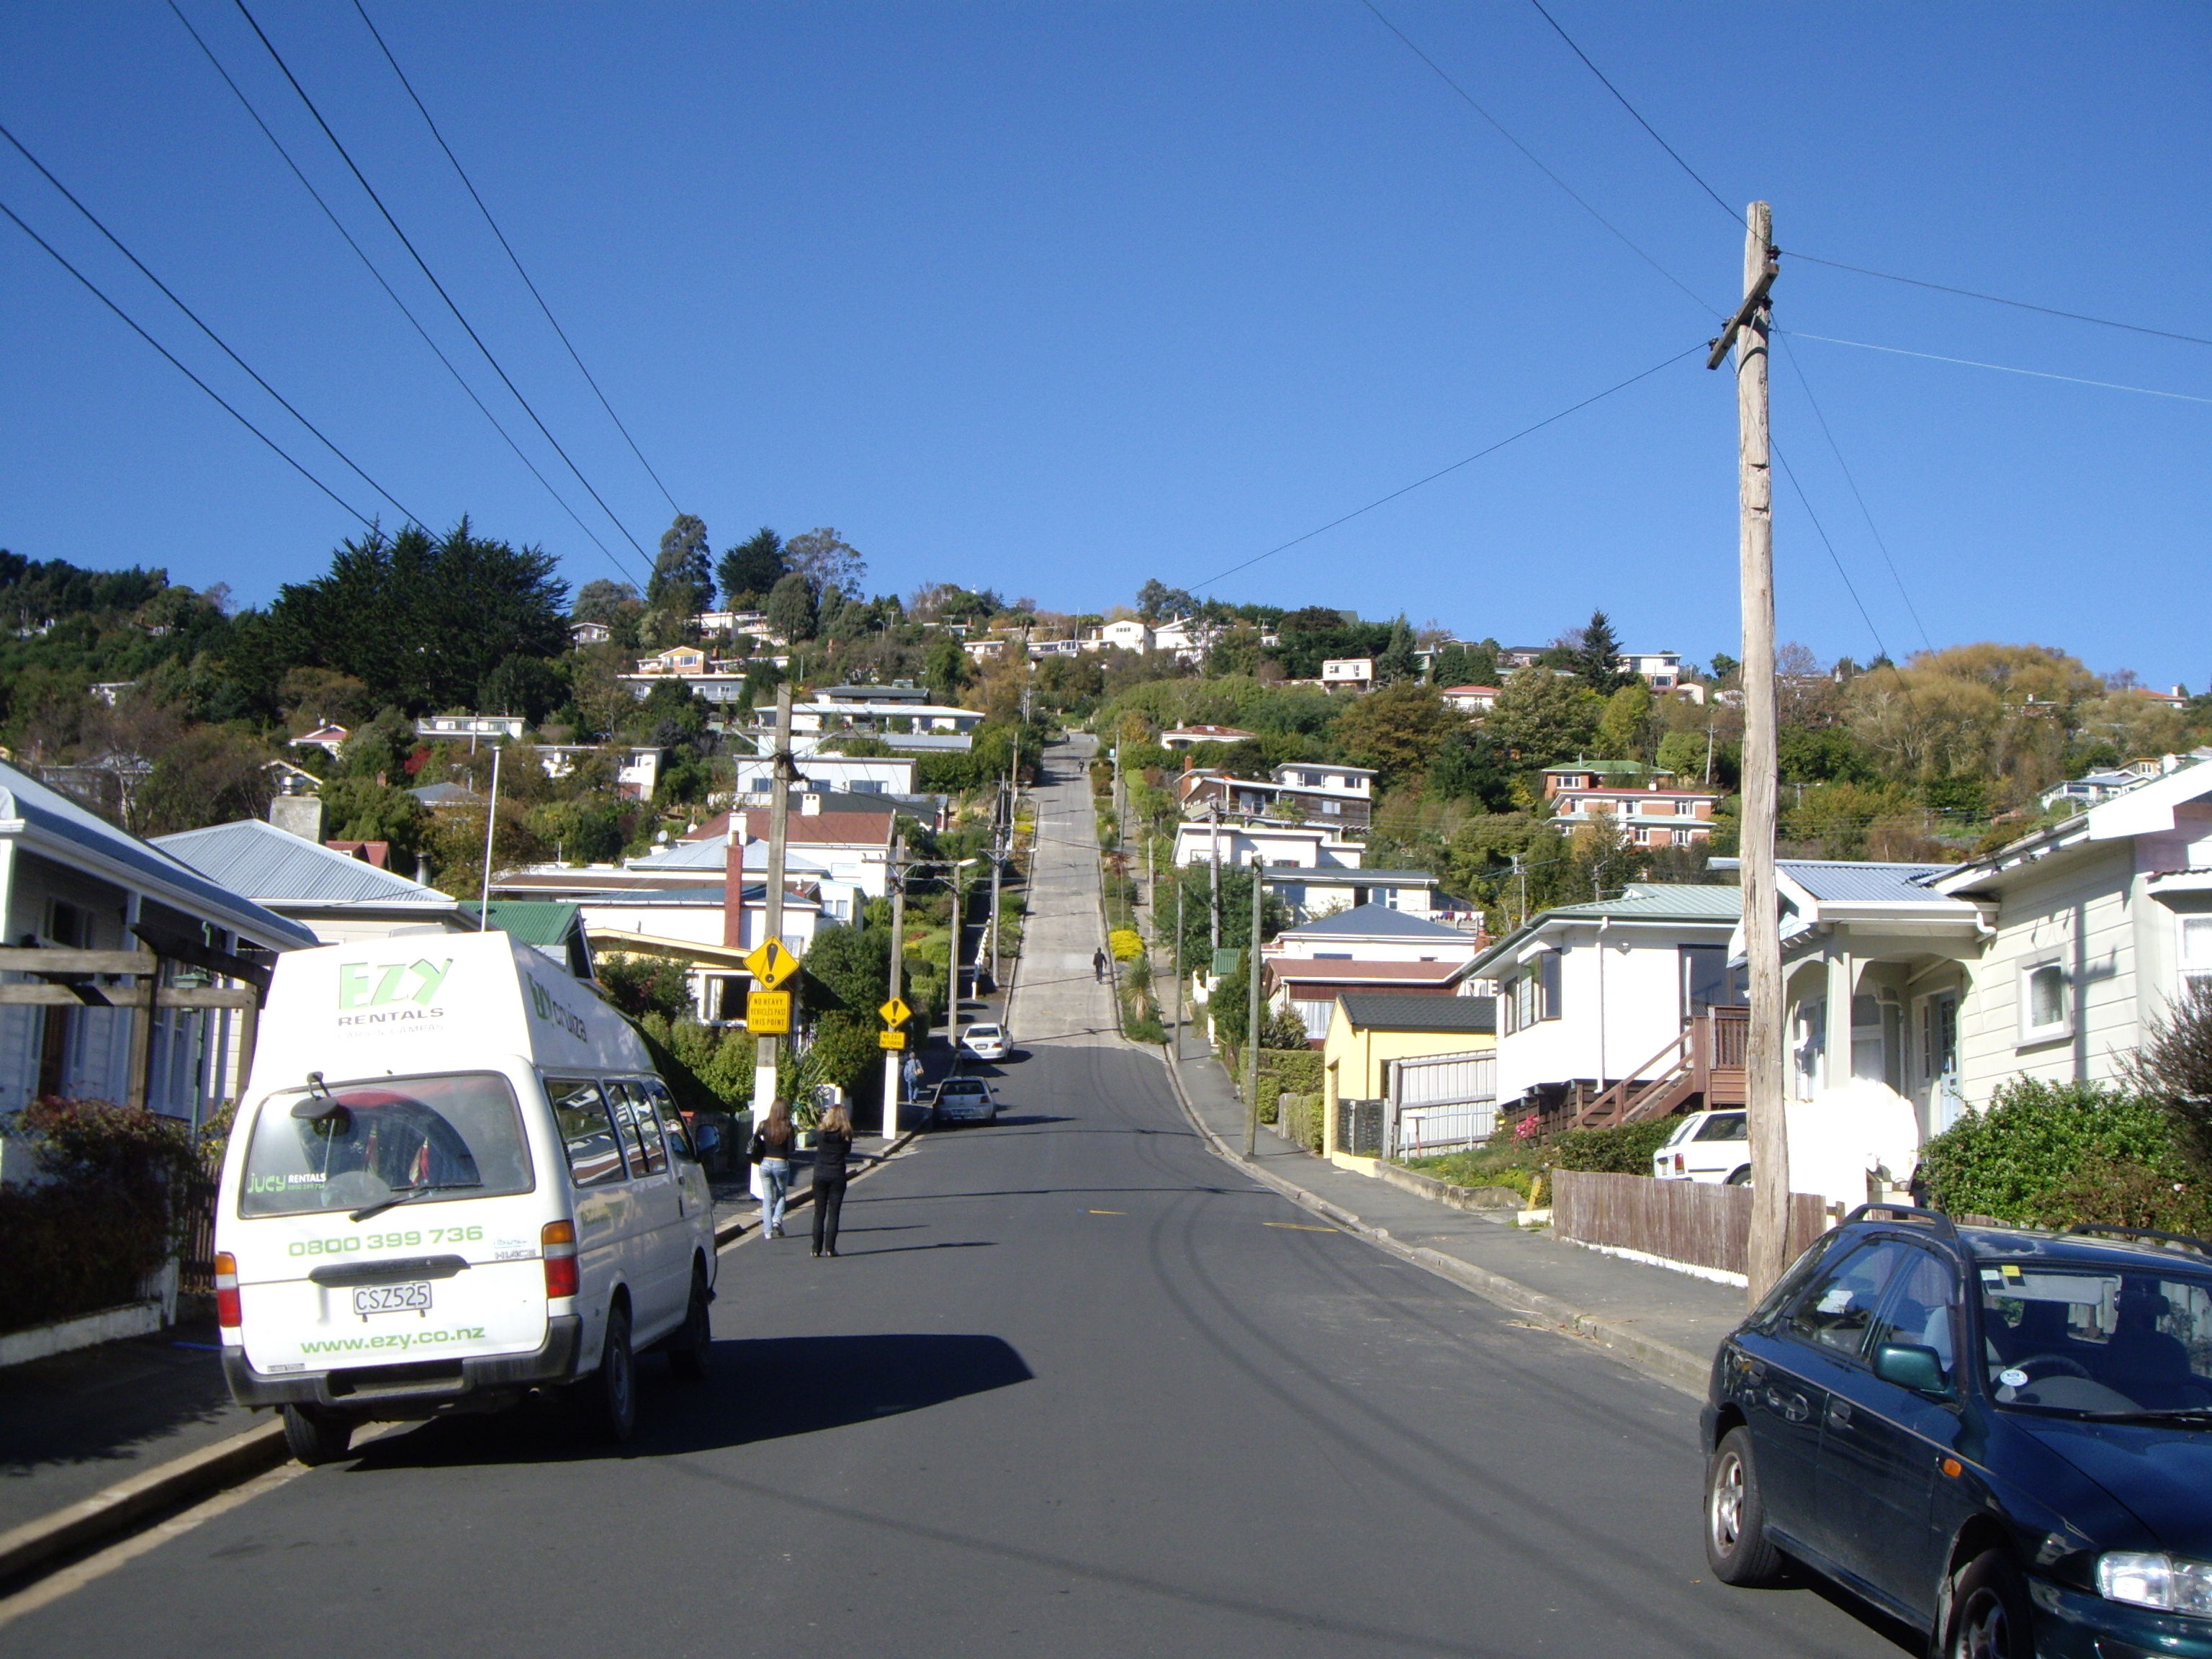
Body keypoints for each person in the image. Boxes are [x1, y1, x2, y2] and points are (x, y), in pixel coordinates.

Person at [811, 1103, 878, 1258]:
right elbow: (846, 1151)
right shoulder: (845, 1135)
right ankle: (830, 1248)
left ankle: (815, 1248)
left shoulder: (821, 1134)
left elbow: (818, 1144)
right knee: (834, 1213)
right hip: (837, 1174)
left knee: (819, 1213)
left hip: (820, 1174)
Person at [749, 1099, 796, 1238]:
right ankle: (777, 1220)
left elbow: (755, 1140)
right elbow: (791, 1149)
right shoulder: (788, 1127)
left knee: (767, 1198)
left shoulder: (764, 1124)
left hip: (765, 1163)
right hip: (781, 1163)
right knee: (781, 1194)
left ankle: (768, 1232)